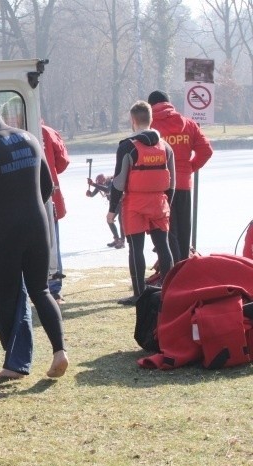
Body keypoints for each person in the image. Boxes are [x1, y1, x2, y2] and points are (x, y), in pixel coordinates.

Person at [0, 100, 68, 379]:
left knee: (6, 294)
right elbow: (47, 186)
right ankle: (60, 351)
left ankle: (14, 366)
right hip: (38, 223)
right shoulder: (30, 137)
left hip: (7, 228)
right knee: (41, 290)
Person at [107, 100, 175, 305]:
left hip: (135, 204)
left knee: (136, 248)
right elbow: (172, 182)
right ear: (151, 119)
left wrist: (112, 210)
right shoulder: (166, 147)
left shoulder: (127, 146)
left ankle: (139, 294)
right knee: (163, 246)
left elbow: (118, 182)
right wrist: (167, 204)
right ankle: (170, 292)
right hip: (160, 202)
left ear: (132, 120)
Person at [148, 90, 213, 263]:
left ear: (150, 106)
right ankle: (184, 270)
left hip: (161, 186)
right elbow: (206, 151)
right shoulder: (189, 124)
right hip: (184, 183)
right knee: (184, 231)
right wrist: (189, 168)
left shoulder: (151, 126)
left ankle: (172, 273)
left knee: (168, 231)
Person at [41, 121, 70, 304]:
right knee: (53, 243)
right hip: (50, 196)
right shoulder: (48, 132)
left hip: (22, 201)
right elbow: (63, 161)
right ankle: (54, 289)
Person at [86, 173, 124, 248]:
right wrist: (90, 194)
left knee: (121, 220)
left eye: (101, 184)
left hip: (122, 202)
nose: (99, 185)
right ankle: (116, 239)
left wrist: (93, 184)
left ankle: (122, 241)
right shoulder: (100, 184)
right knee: (109, 220)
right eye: (99, 184)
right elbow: (95, 192)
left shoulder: (112, 182)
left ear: (104, 181)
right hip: (114, 204)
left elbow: (107, 189)